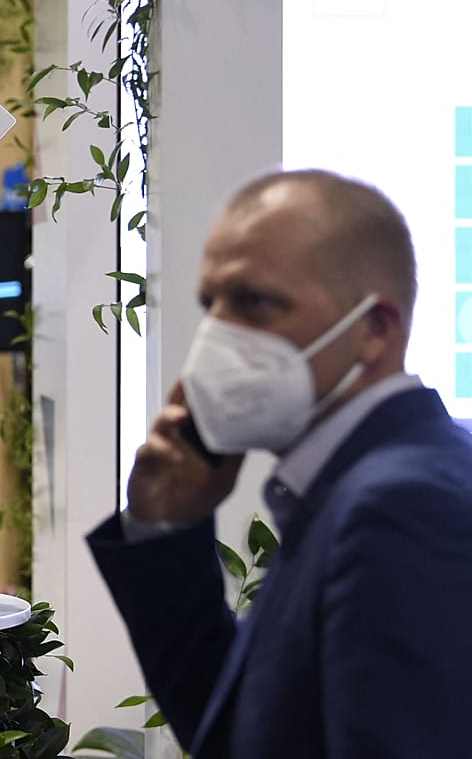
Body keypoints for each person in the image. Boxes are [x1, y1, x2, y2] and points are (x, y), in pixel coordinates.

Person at [88, 169, 472, 759]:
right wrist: (168, 531)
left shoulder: (398, 507)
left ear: (374, 329)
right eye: (210, 304)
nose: (216, 335)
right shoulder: (352, 488)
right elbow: (243, 735)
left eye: (254, 302)